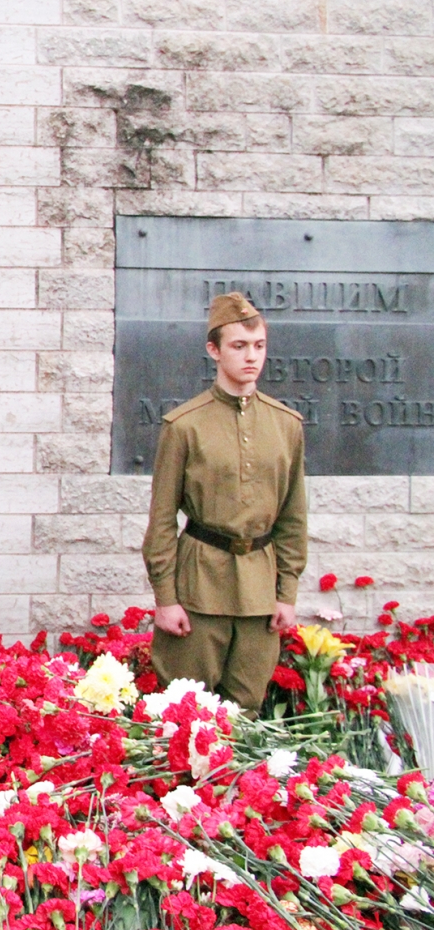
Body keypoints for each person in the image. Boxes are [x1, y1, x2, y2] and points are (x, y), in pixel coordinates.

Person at [142, 292, 307, 711]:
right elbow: (161, 520)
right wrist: (166, 597)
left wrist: (286, 593)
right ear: (213, 350)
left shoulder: (286, 426)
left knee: (246, 711)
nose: (251, 357)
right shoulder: (184, 427)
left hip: (260, 592)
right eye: (238, 346)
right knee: (185, 710)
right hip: (199, 585)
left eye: (259, 346)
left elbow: (292, 517)